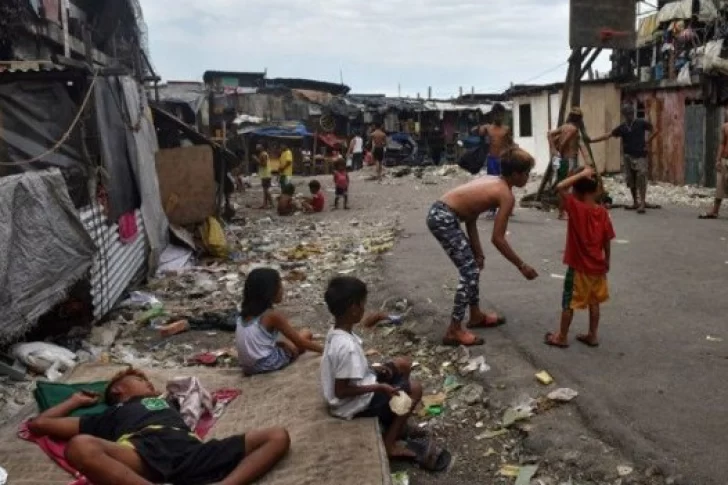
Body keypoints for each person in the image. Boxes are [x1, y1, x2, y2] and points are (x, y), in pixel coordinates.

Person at [27, 368, 290, 485]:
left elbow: (195, 396)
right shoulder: (111, 414)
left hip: (191, 450)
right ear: (119, 390)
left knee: (277, 436)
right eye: (140, 380)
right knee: (80, 446)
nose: (149, 383)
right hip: (142, 452)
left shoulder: (168, 401)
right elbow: (40, 424)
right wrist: (74, 401)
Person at [426, 147, 539, 347]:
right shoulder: (506, 195)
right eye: (526, 173)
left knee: (473, 265)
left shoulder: (491, 180)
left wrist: (478, 252)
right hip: (444, 218)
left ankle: (476, 315)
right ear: (515, 174)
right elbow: (498, 239)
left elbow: (471, 216)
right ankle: (454, 330)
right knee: (469, 271)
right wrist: (521, 265)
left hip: (440, 213)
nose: (528, 177)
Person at [321, 277, 422, 460]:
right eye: (363, 303)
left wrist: (375, 370)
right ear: (354, 308)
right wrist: (379, 387)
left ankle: (395, 422)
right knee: (415, 389)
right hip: (352, 404)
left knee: (401, 364)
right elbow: (341, 391)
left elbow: (349, 371)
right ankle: (390, 443)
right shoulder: (346, 347)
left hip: (358, 389)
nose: (364, 308)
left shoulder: (336, 332)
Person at [545, 167, 615, 348]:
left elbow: (560, 187)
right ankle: (592, 335)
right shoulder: (602, 212)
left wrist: (581, 175)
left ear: (576, 190)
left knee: (568, 302)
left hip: (578, 267)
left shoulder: (576, 208)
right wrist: (607, 260)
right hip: (598, 267)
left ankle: (562, 336)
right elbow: (607, 239)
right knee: (594, 301)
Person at [236, 268, 323, 375]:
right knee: (306, 333)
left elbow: (258, 339)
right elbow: (299, 341)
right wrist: (324, 350)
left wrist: (282, 343)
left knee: (285, 341)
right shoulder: (271, 315)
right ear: (270, 291)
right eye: (280, 286)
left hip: (247, 367)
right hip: (266, 364)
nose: (282, 290)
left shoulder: (242, 315)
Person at [588, 104, 659, 214]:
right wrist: (592, 140)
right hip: (627, 156)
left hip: (640, 155)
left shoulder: (640, 122)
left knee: (641, 176)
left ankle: (642, 203)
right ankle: (635, 202)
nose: (629, 115)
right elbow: (608, 135)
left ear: (633, 113)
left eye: (630, 113)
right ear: (624, 115)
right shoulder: (622, 127)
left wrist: (647, 142)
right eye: (627, 114)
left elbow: (655, 130)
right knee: (631, 179)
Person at [548, 107, 592, 220]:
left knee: (562, 185)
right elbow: (565, 144)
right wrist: (559, 150)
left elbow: (549, 133)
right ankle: (564, 212)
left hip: (561, 160)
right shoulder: (574, 130)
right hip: (569, 161)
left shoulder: (563, 127)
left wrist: (553, 149)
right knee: (566, 187)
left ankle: (562, 212)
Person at [699, 114, 728, 219]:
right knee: (720, 186)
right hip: (725, 159)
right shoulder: (725, 127)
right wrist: (718, 159)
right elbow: (722, 143)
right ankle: (715, 211)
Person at [253, 144, 273, 210]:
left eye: (257, 148)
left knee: (266, 190)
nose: (256, 149)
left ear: (261, 148)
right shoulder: (263, 154)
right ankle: (265, 204)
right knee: (265, 190)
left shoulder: (263, 154)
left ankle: (271, 204)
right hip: (265, 174)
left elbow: (264, 164)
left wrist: (256, 159)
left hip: (265, 175)